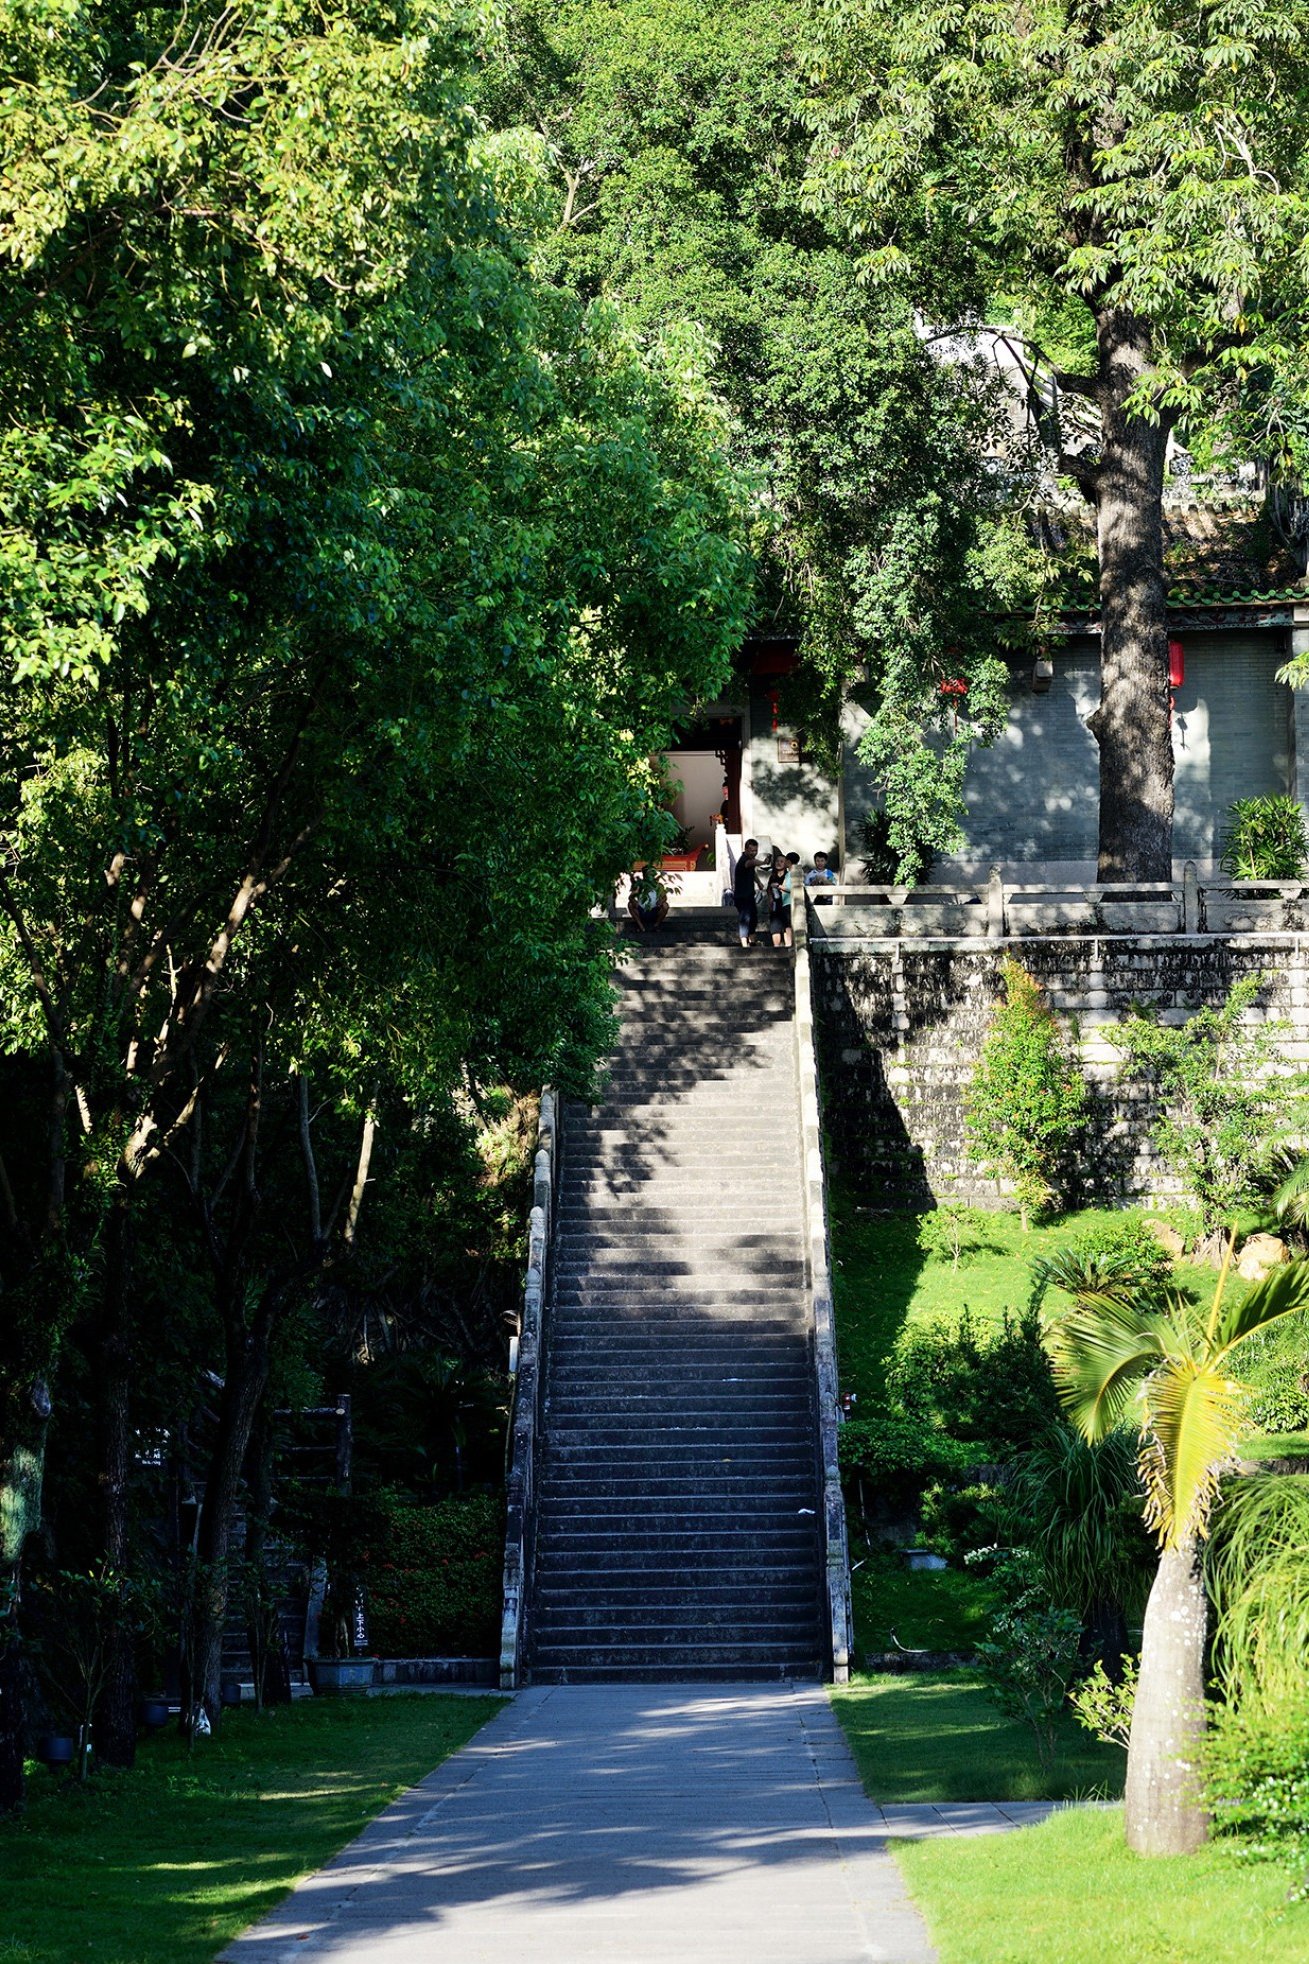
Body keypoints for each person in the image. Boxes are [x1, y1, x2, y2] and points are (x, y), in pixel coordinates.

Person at [732, 838, 761, 947]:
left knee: (753, 918)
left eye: (755, 851)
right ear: (746, 850)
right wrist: (763, 862)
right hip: (741, 896)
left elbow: (752, 872)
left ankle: (752, 941)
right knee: (745, 918)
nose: (754, 853)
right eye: (751, 850)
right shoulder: (744, 860)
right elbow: (751, 863)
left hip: (749, 895)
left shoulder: (750, 860)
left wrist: (759, 882)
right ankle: (744, 943)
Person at [627, 868, 668, 932]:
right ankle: (641, 926)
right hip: (641, 910)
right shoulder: (640, 885)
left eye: (652, 874)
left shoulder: (659, 886)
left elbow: (665, 898)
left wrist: (661, 902)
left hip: (655, 910)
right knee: (630, 904)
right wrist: (635, 892)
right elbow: (630, 898)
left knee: (665, 905)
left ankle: (656, 925)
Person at [765, 849, 789, 948]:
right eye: (777, 861)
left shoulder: (788, 876)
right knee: (775, 926)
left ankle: (788, 945)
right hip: (775, 904)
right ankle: (776, 947)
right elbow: (768, 889)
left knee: (786, 925)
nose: (778, 863)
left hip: (785, 903)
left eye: (781, 861)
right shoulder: (772, 876)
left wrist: (779, 886)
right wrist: (770, 899)